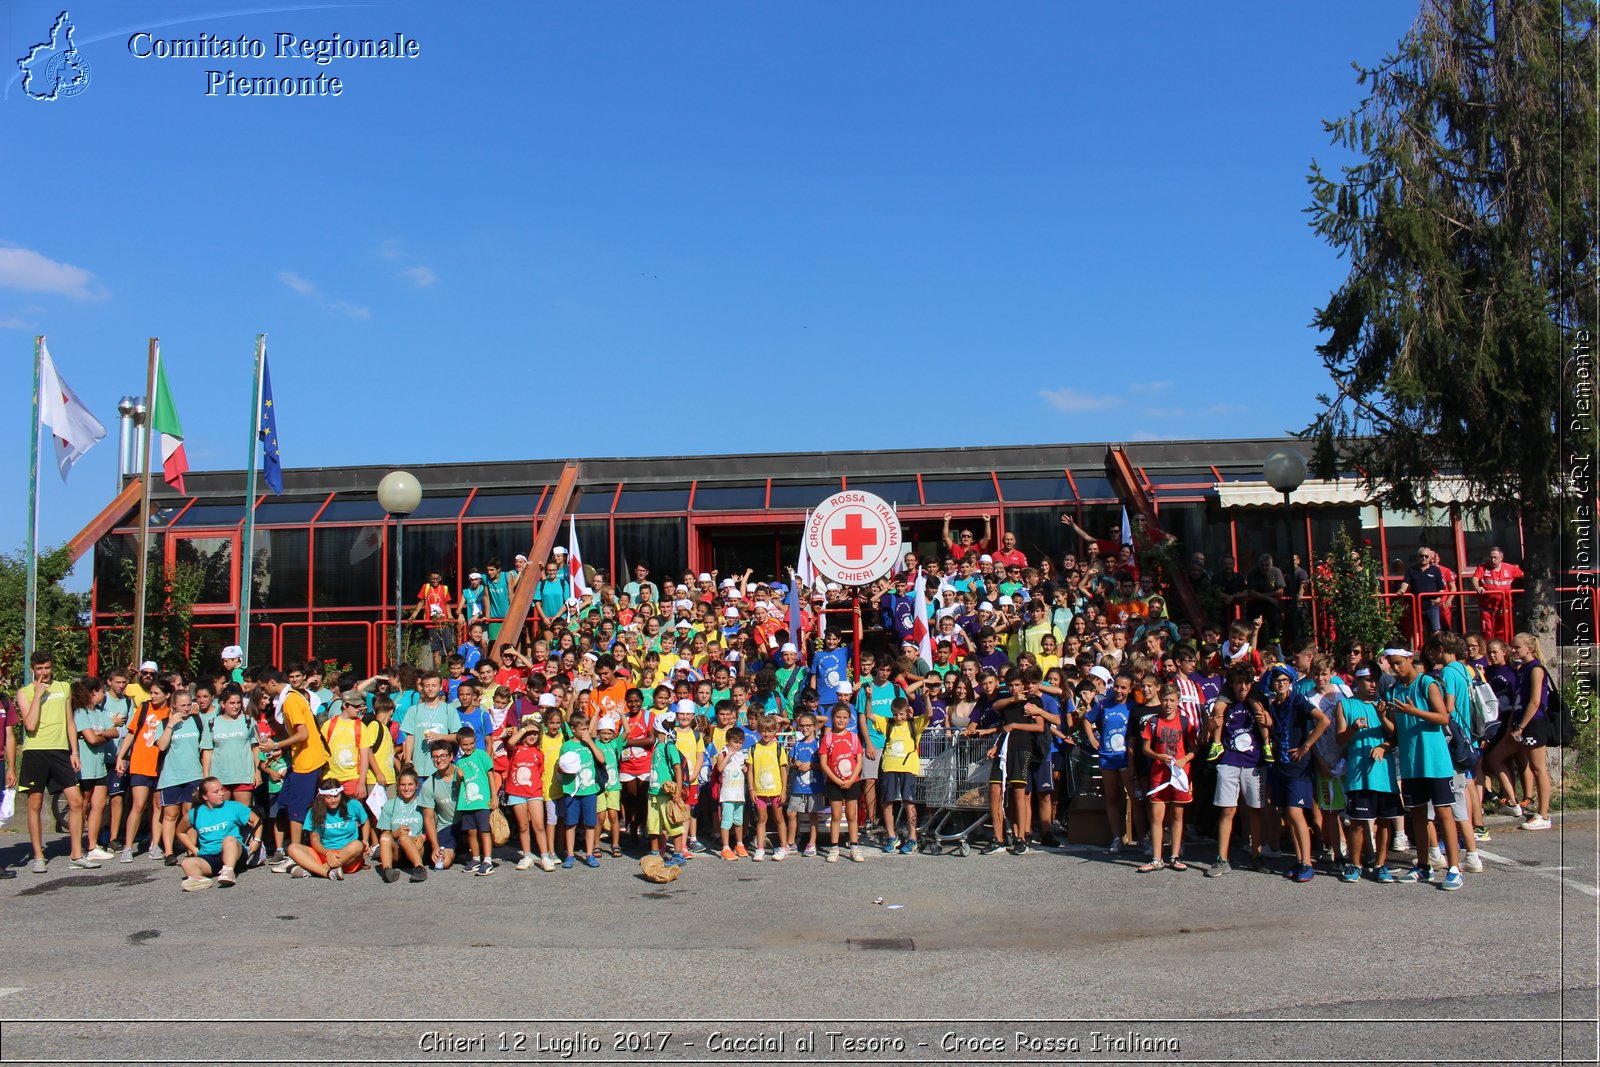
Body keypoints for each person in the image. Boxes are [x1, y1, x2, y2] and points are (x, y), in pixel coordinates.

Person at [1381, 648, 1464, 889]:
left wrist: (1414, 711)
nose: (1395, 668)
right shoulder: (1393, 690)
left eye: (1399, 663)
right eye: (1391, 664)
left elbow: (1443, 717)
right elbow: (1397, 731)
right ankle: (1423, 866)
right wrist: (1384, 719)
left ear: (1409, 660)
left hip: (1435, 761)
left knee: (1443, 813)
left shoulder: (1427, 683)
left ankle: (1454, 868)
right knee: (1417, 814)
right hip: (1411, 762)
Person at [14, 650, 89, 872]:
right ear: (32, 670)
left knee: (76, 801)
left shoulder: (64, 687)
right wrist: (38, 695)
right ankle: (38, 856)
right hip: (35, 752)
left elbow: (69, 721)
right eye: (39, 669)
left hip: (60, 751)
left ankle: (76, 854)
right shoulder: (24, 692)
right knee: (35, 804)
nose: (44, 672)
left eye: (47, 667)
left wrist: (74, 751)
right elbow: (30, 726)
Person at [1334, 664, 1401, 883]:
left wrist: (1383, 742)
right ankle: (1355, 864)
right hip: (1357, 773)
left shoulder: (1384, 705)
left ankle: (1381, 865)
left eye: (1375, 679)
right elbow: (1340, 739)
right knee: (1356, 821)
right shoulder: (1344, 705)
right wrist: (1353, 729)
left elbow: (1396, 736)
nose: (1373, 684)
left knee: (1383, 821)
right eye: (1367, 680)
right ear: (1357, 681)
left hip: (1384, 774)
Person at [257, 667, 329, 870]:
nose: (265, 693)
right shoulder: (291, 697)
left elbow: (303, 733)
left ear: (272, 683)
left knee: (297, 807)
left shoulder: (290, 701)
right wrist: (284, 750)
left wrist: (276, 745)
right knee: (285, 800)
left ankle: (297, 853)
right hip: (299, 760)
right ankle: (298, 845)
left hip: (308, 761)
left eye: (264, 688)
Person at [1264, 666, 1329, 884]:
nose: (1280, 684)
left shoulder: (1298, 700)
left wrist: (1306, 746)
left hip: (1298, 766)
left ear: (1290, 682)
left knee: (1296, 812)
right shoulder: (1273, 705)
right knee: (1287, 814)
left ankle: (1307, 863)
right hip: (1281, 765)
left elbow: (1323, 720)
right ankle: (1299, 860)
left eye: (1284, 680)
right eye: (1276, 681)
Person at [1205, 665, 1270, 877]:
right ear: (1231, 684)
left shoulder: (1257, 699)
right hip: (1229, 760)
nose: (1243, 687)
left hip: (1255, 760)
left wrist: (1267, 721)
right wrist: (1211, 725)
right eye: (1238, 683)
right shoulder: (1226, 700)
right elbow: (1211, 725)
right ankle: (1221, 859)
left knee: (1255, 810)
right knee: (1227, 810)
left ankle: (1256, 855)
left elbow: (1270, 722)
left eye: (1246, 683)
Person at [1484, 633, 1553, 831]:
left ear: (1529, 649)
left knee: (1538, 768)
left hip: (1534, 723)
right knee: (1495, 758)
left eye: (1517, 647)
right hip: (1518, 723)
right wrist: (1511, 726)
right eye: (1512, 647)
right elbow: (1518, 700)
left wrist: (1521, 726)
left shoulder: (1536, 668)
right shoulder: (1521, 669)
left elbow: (1534, 701)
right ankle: (1513, 802)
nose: (1513, 651)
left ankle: (1544, 814)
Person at [1138, 684, 1196, 872]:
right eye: (1165, 700)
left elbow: (1194, 748)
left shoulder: (1185, 721)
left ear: (1178, 702)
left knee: (1177, 815)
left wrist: (1185, 759)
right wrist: (1159, 757)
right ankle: (1157, 858)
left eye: (1172, 700)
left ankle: (1175, 855)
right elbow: (1145, 748)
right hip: (1159, 773)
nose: (1168, 704)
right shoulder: (1153, 721)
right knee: (1157, 817)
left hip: (1180, 774)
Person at [1081, 672, 1137, 854]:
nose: (1119, 691)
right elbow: (1087, 719)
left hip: (1126, 758)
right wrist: (1092, 739)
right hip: (1107, 757)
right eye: (1117, 686)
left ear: (1129, 689)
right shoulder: (1104, 704)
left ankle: (1143, 837)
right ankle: (1116, 837)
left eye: (1123, 688)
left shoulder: (1133, 706)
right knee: (1112, 797)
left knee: (1134, 797)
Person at [154, 689, 210, 866]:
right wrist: (170, 725)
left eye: (188, 705)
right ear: (174, 705)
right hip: (171, 775)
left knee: (190, 814)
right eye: (182, 705)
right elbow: (161, 746)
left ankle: (191, 849)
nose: (186, 709)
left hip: (193, 774)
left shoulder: (197, 721)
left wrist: (205, 776)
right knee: (170, 814)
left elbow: (204, 749)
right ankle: (169, 852)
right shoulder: (163, 723)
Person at [177, 777, 261, 890]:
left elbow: (257, 820)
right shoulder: (195, 813)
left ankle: (229, 871)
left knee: (229, 839)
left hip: (235, 854)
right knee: (187, 863)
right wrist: (194, 849)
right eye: (216, 792)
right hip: (209, 856)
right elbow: (180, 832)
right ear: (205, 796)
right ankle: (199, 881)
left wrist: (256, 841)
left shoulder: (233, 806)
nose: (221, 793)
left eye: (221, 789)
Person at [284, 778, 368, 879]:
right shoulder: (314, 810)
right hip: (324, 853)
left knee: (357, 845)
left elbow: (365, 821)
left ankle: (315, 870)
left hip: (348, 855)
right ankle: (326, 872)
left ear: (341, 794)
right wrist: (327, 853)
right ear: (322, 797)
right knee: (293, 848)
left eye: (336, 796)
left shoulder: (353, 804)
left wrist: (365, 839)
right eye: (328, 797)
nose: (333, 800)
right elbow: (314, 839)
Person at [72, 676, 116, 863]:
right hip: (86, 767)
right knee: (83, 805)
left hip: (100, 767)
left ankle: (92, 845)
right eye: (101, 691)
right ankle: (77, 846)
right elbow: (91, 738)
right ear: (93, 693)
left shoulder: (100, 712)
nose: (104, 694)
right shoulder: (80, 713)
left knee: (99, 805)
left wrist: (103, 734)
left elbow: (114, 731)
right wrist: (103, 737)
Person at [503, 712, 553, 871]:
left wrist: (531, 730)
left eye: (535, 734)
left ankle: (545, 856)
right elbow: (510, 742)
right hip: (517, 792)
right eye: (529, 733)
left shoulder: (539, 753)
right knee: (523, 826)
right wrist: (524, 729)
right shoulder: (515, 749)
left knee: (539, 825)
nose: (532, 736)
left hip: (534, 793)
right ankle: (526, 856)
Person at [556, 711, 604, 868]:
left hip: (589, 790)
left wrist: (590, 742)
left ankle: (589, 854)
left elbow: (601, 759)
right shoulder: (567, 746)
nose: (585, 732)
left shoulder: (590, 743)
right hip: (572, 790)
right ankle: (570, 854)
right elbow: (560, 768)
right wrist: (565, 768)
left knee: (590, 823)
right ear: (573, 729)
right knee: (571, 822)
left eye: (587, 728)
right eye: (582, 729)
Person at [819, 703, 865, 863]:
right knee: (836, 815)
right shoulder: (828, 738)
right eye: (838, 717)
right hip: (834, 782)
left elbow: (859, 760)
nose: (841, 720)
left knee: (852, 815)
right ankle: (834, 847)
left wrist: (852, 779)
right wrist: (836, 779)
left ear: (849, 719)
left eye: (845, 717)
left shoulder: (853, 737)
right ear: (832, 718)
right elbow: (824, 763)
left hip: (852, 781)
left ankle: (854, 846)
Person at [450, 725, 497, 875]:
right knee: (471, 832)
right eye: (465, 745)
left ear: (476, 741)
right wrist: (459, 777)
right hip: (467, 802)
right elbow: (458, 785)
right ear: (460, 745)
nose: (468, 747)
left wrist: (494, 796)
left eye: (471, 743)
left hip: (482, 800)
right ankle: (476, 858)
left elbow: (490, 775)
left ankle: (488, 860)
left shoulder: (482, 755)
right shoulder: (459, 762)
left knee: (484, 831)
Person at [207, 686, 259, 807]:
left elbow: (255, 748)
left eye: (238, 703)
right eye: (232, 703)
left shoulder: (248, 721)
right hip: (219, 776)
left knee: (243, 815)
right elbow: (207, 751)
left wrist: (257, 772)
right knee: (221, 815)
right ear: (223, 704)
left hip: (244, 775)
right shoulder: (212, 723)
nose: (236, 706)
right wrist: (206, 777)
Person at [376, 768, 430, 882]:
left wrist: (423, 837)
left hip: (417, 847)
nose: (406, 788)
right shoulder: (390, 805)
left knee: (405, 838)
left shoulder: (423, 803)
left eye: (410, 784)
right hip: (398, 851)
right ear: (398, 786)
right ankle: (387, 870)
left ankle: (419, 868)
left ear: (417, 785)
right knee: (385, 837)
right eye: (402, 785)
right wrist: (395, 833)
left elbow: (432, 828)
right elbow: (385, 833)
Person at [786, 712, 823, 857]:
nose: (805, 728)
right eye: (802, 725)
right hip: (798, 785)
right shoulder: (798, 744)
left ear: (814, 727)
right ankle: (790, 843)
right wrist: (795, 764)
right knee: (791, 812)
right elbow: (791, 761)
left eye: (808, 725)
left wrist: (811, 765)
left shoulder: (818, 743)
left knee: (813, 814)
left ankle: (812, 843)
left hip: (814, 785)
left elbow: (824, 764)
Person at [1471, 546, 1523, 645]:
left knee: (1503, 633)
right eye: (1490, 557)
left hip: (1504, 608)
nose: (1492, 559)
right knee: (1487, 633)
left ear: (1501, 558)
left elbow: (1523, 575)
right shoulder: (1482, 567)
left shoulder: (1510, 568)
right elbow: (1475, 579)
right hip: (1487, 609)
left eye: (1495, 557)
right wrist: (1477, 588)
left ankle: (1504, 654)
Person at [713, 725, 750, 861]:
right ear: (728, 740)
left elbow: (742, 768)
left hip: (739, 793)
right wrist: (728, 754)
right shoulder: (722, 753)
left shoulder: (741, 755)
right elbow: (719, 768)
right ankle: (725, 847)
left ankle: (739, 844)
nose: (738, 745)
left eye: (740, 742)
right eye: (735, 742)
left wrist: (745, 768)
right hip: (727, 794)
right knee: (726, 822)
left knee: (738, 821)